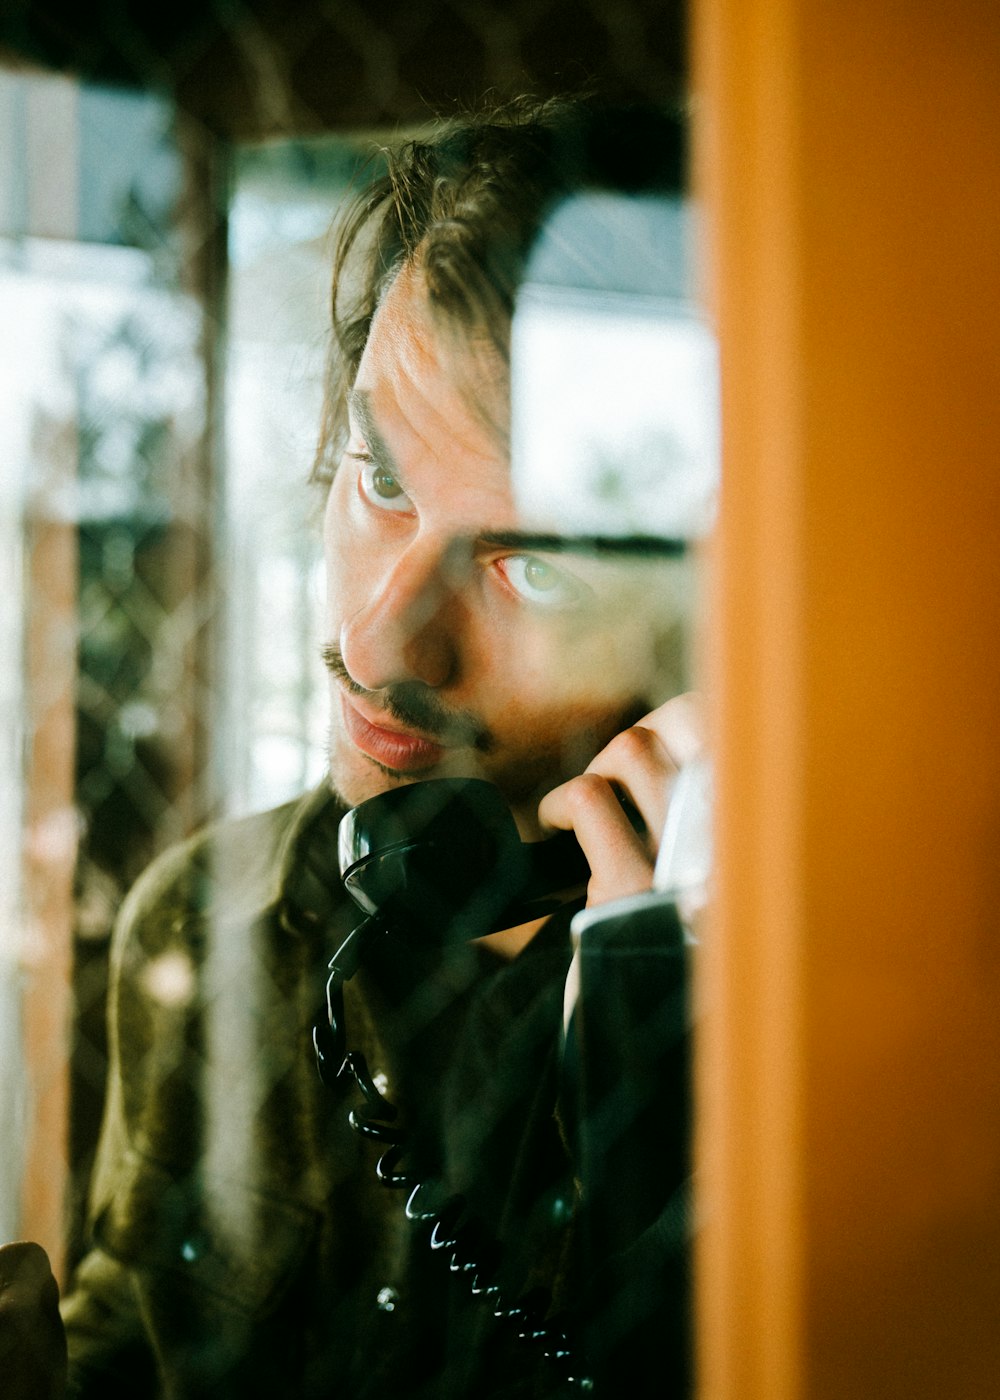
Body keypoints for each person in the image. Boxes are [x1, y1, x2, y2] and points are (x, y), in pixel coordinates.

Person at [39, 98, 697, 1398]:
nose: (384, 635)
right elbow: (137, 1343)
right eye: (383, 479)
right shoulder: (208, 925)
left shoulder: (787, 1032)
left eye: (540, 568)